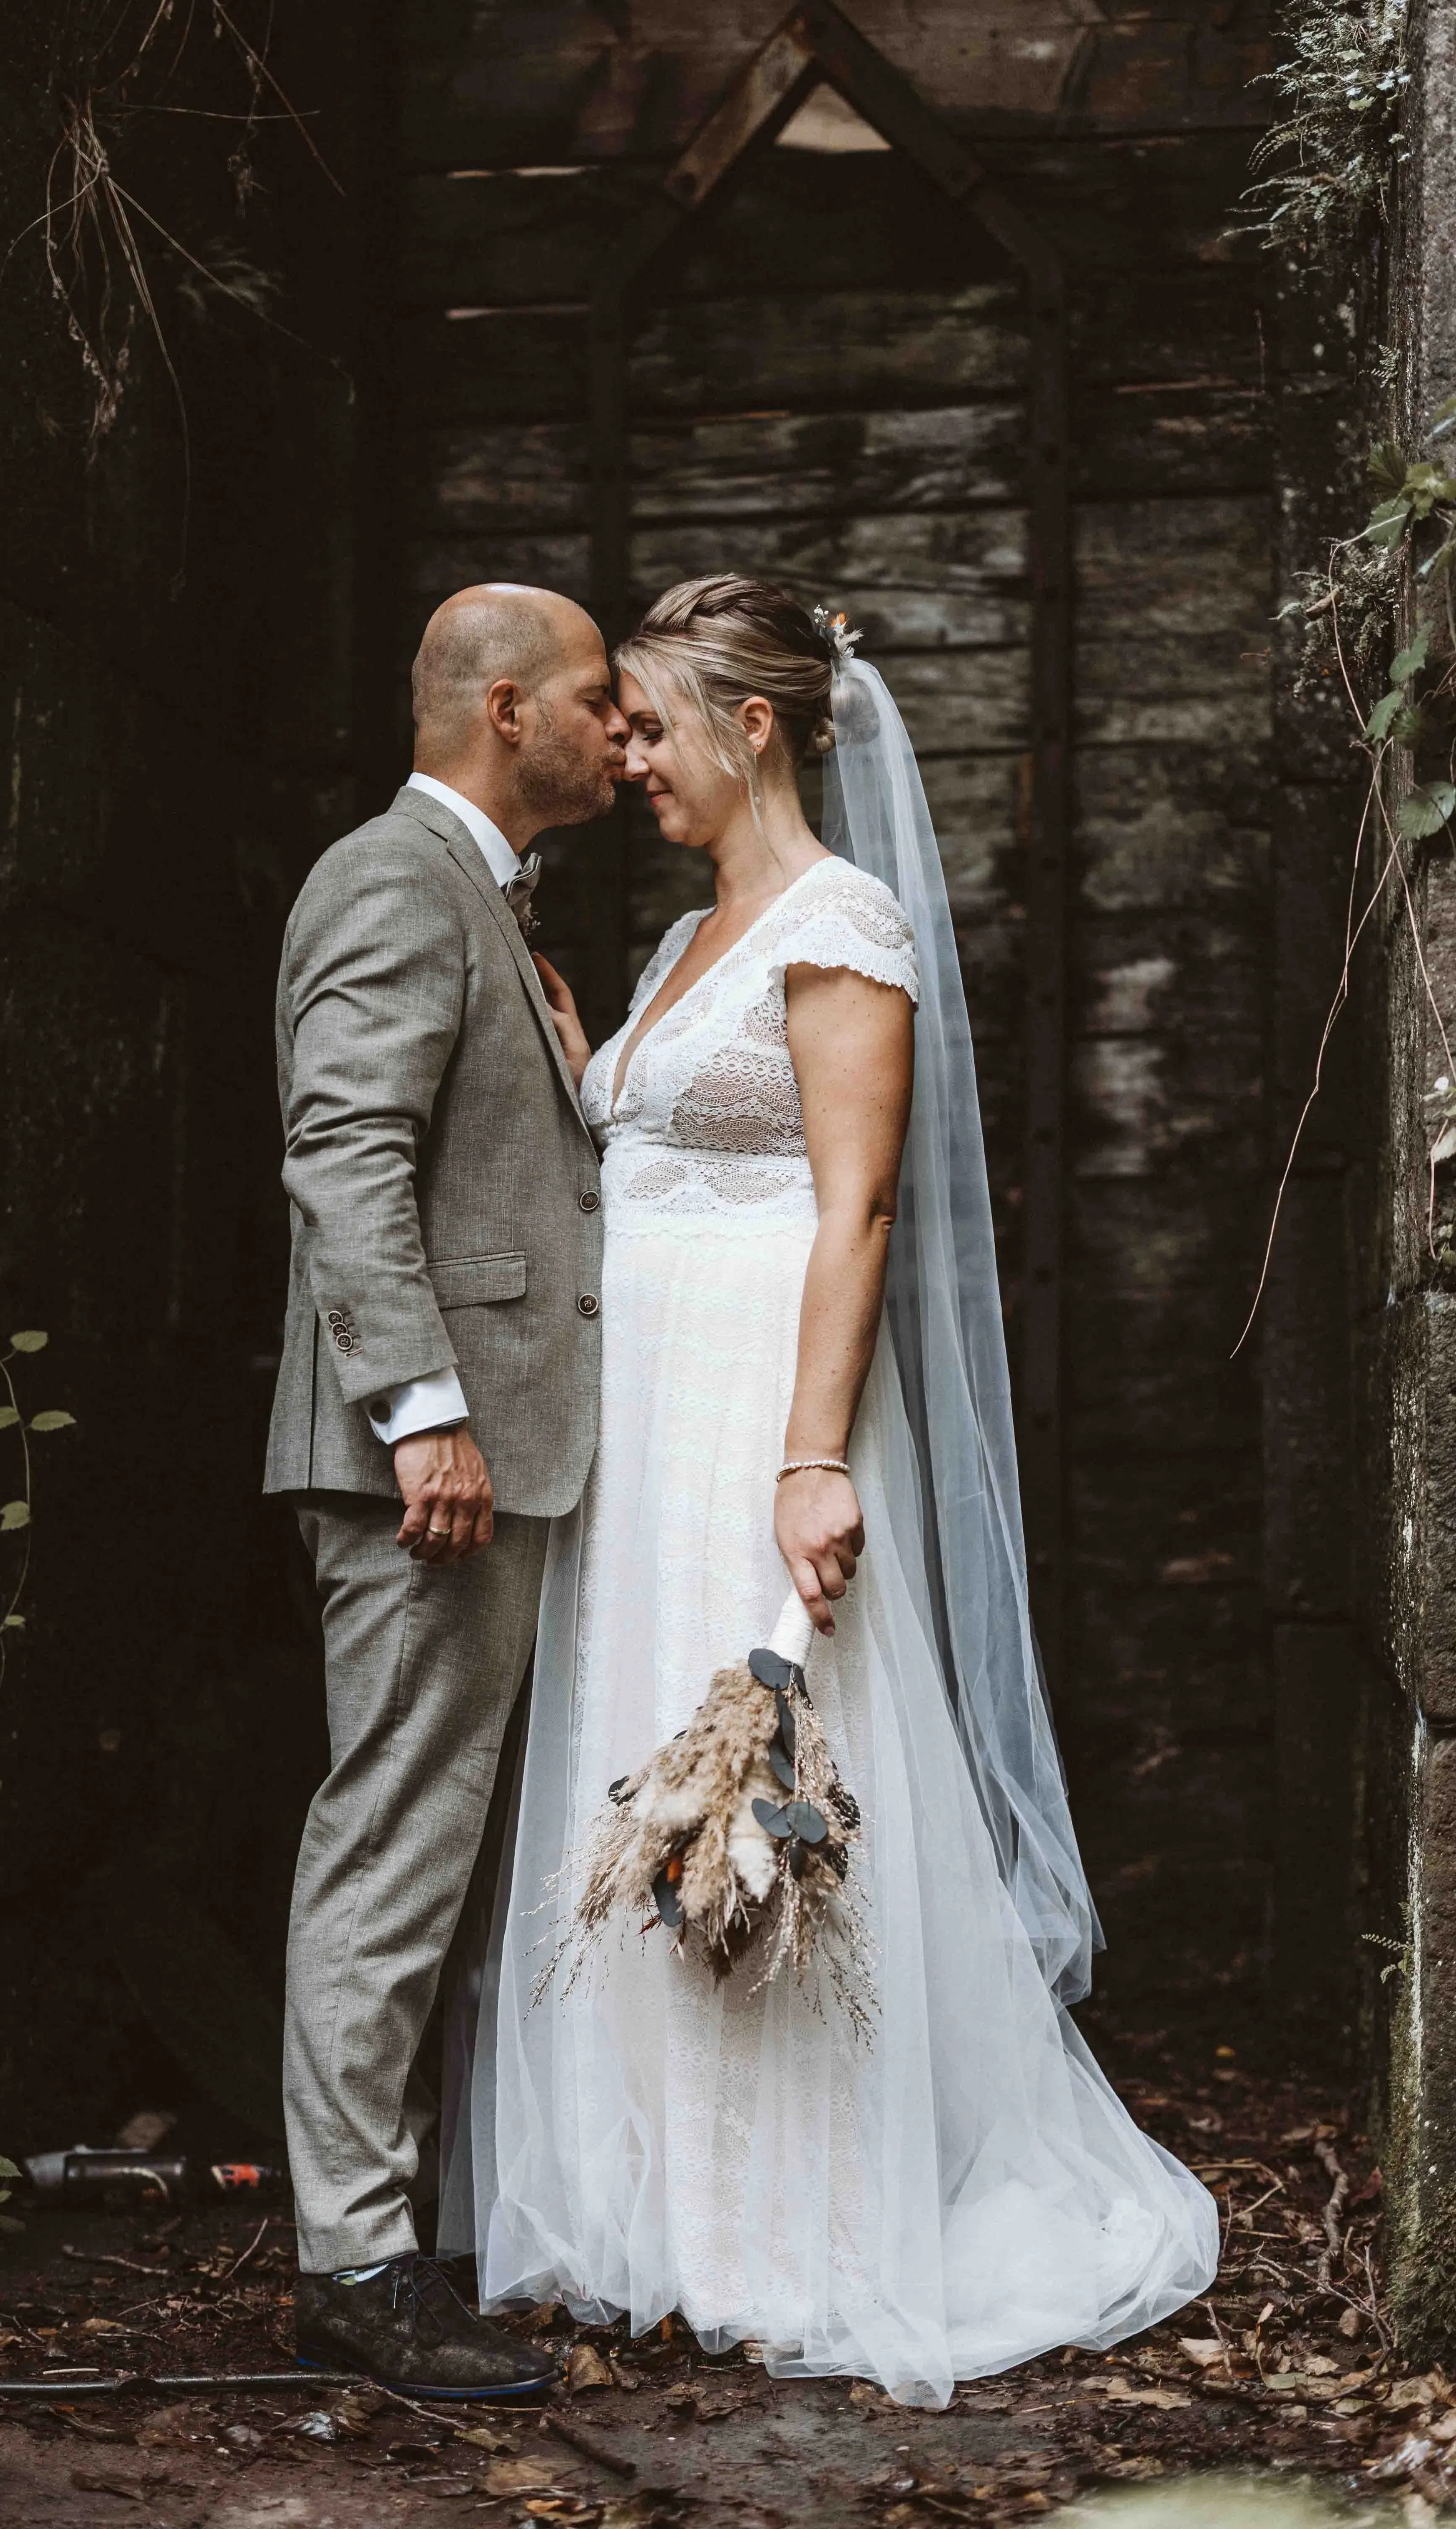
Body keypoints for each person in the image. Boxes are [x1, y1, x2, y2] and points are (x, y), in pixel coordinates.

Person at [460, 575, 1218, 2406]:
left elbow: (853, 1208)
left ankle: (784, 2219)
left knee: (764, 1774)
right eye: (620, 727)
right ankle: (649, 2208)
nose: (624, 757)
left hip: (750, 1414)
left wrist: (810, 1459)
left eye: (648, 724)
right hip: (637, 1425)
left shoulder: (839, 922)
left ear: (759, 727)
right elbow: (648, 1162)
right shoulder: (676, 948)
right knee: (643, 1764)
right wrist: (588, 1066)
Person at [264, 582, 628, 2396]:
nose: (618, 731)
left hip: (491, 1457)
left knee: (437, 1843)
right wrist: (423, 1411)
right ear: (504, 709)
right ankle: (353, 2261)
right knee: (393, 1842)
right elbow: (343, 1149)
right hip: (429, 1470)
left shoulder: (484, 897)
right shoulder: (392, 879)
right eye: (591, 702)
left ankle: (407, 2223)